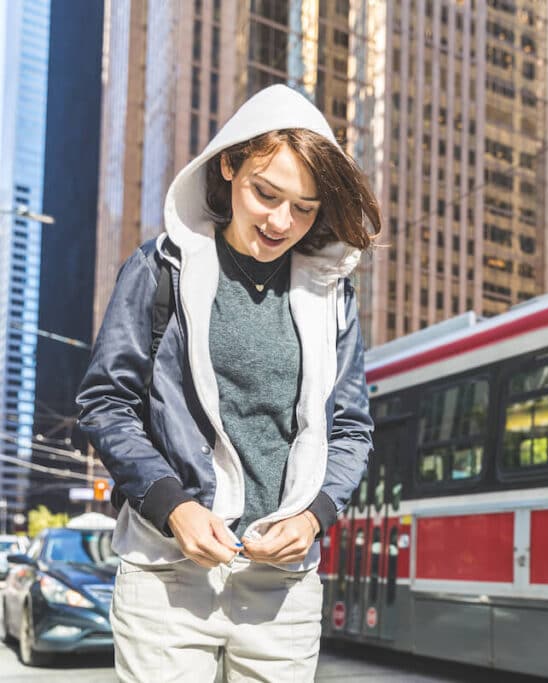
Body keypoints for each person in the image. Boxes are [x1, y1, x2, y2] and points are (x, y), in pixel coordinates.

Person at [76, 84, 379, 682]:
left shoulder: (330, 295)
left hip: (281, 590)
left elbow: (351, 429)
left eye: (305, 208)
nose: (281, 220)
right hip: (167, 578)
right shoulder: (160, 268)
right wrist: (174, 507)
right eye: (267, 193)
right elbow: (106, 402)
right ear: (228, 164)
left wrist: (314, 515)